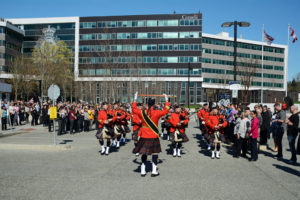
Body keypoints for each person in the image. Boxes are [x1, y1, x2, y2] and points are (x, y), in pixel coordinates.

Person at [132, 92, 170, 177]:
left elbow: (134, 110)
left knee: (144, 154)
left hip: (144, 135)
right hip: (153, 135)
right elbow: (166, 110)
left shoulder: (142, 112)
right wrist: (166, 100)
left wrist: (135, 99)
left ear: (147, 105)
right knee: (155, 153)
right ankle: (154, 171)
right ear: (154, 105)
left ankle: (143, 171)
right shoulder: (157, 112)